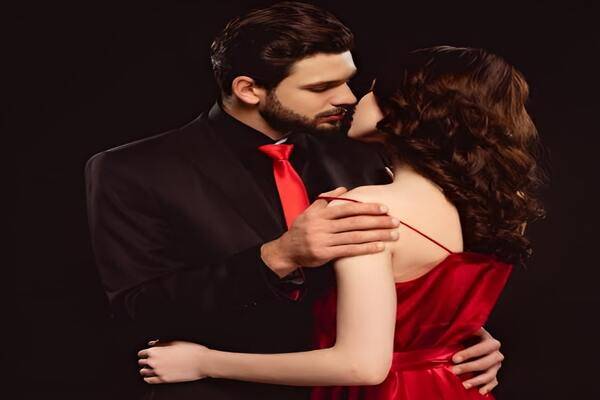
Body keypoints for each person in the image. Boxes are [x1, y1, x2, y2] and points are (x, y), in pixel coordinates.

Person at [86, 3, 505, 399]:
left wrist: (455, 338)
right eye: (321, 87)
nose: (347, 98)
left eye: (347, 80)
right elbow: (137, 312)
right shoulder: (133, 170)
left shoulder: (363, 151)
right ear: (249, 90)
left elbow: (406, 276)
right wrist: (279, 256)